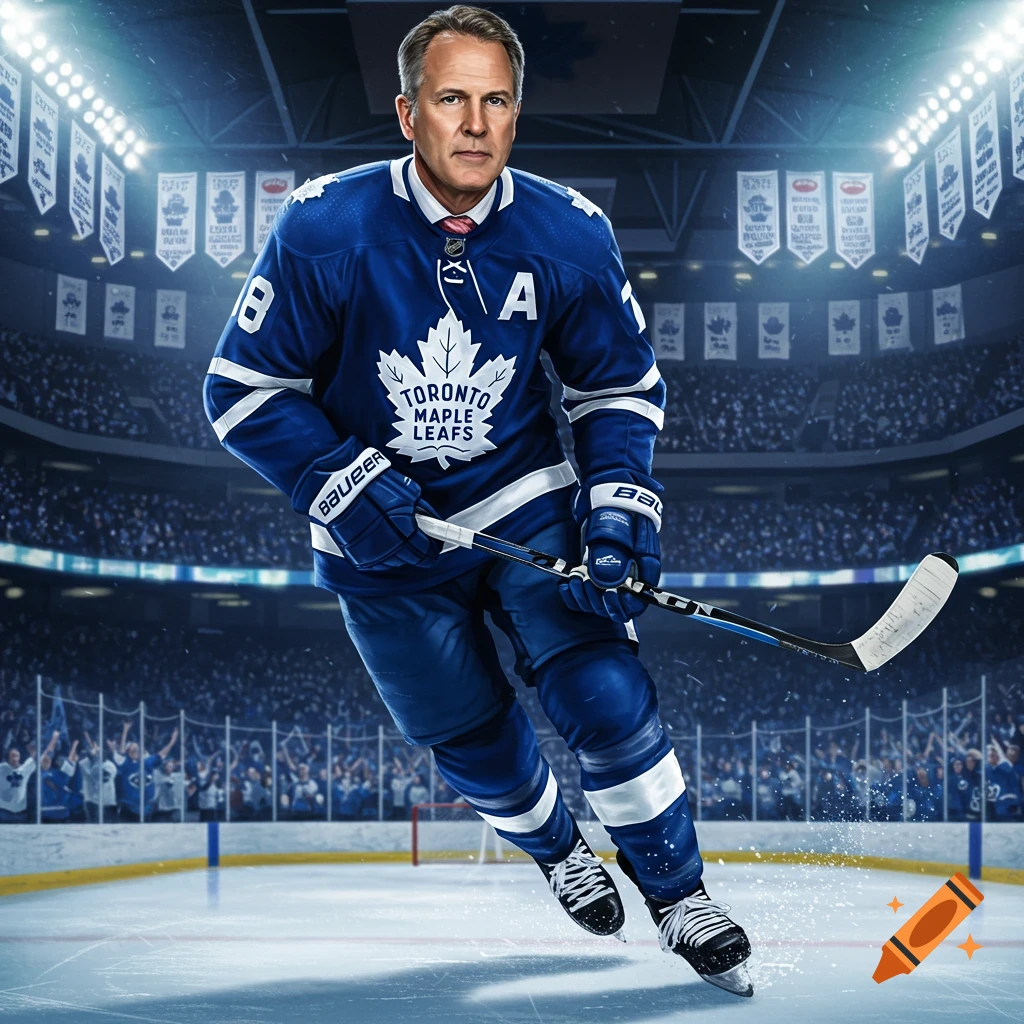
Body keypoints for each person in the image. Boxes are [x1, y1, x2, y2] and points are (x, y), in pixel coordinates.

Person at [204, 4, 751, 996]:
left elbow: (616, 387)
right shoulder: (324, 226)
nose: (474, 123)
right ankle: (559, 853)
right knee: (468, 735)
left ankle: (679, 895)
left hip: (520, 500)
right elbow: (240, 389)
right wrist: (339, 480)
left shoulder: (568, 231)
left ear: (516, 113)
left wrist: (617, 509)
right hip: (379, 536)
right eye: (452, 99)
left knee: (603, 690)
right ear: (407, 112)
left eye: (496, 101)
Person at [0, 732, 57, 823]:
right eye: (12, 755)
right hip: (3, 813)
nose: (15, 758)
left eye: (17, 756)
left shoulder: (24, 770)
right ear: (8, 757)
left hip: (20, 814)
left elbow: (41, 757)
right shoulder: (2, 768)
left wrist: (53, 740)